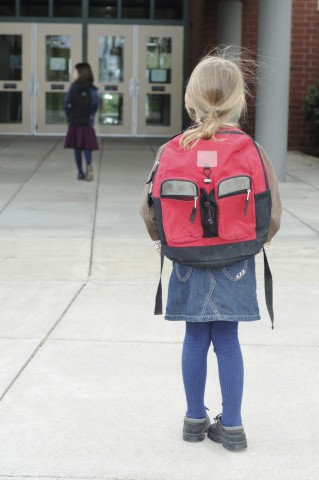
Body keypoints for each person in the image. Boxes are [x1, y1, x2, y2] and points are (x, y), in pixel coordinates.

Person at [140, 51, 282, 451]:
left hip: (186, 259)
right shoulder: (250, 148)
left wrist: (161, 238)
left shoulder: (172, 149)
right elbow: (272, 212)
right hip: (236, 257)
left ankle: (193, 418)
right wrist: (258, 239)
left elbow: (149, 208)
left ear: (190, 101)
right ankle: (233, 426)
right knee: (228, 340)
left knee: (194, 338)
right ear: (241, 102)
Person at [64, 62, 99, 181]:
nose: (73, 74)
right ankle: (88, 164)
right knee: (87, 146)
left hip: (75, 123)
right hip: (87, 123)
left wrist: (70, 117)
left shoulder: (73, 88)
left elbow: (66, 103)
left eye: (75, 72)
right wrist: (91, 117)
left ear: (80, 73)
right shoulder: (92, 89)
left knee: (77, 147)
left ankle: (80, 172)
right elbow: (95, 105)